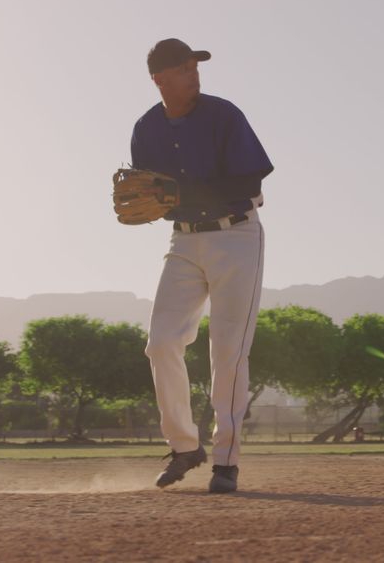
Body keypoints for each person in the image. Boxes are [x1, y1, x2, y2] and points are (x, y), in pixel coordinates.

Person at [130, 38, 273, 493]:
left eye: (195, 66)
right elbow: (150, 193)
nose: (194, 73)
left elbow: (248, 177)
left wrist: (184, 194)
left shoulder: (223, 114)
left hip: (236, 235)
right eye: (184, 68)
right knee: (161, 343)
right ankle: (185, 446)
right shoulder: (146, 129)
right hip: (184, 241)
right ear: (160, 79)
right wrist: (155, 202)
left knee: (228, 352)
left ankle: (225, 462)